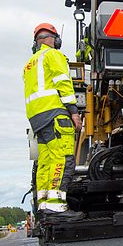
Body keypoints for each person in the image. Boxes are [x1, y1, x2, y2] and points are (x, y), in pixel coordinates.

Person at [23, 23, 84, 222]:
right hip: (55, 115)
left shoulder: (30, 63)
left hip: (37, 119)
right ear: (53, 39)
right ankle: (57, 207)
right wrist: (74, 112)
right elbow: (63, 84)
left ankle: (44, 205)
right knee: (63, 159)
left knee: (46, 161)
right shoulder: (53, 55)